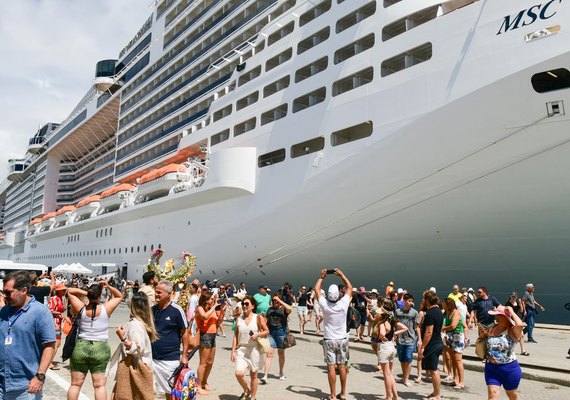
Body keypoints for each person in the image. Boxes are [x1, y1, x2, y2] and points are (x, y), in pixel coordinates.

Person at [0, 271, 56, 399]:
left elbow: (49, 346)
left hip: (25, 387)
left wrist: (40, 376)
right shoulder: (4, 311)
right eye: (3, 292)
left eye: (8, 293)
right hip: (2, 384)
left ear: (24, 290)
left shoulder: (40, 313)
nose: (5, 296)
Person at [67, 281, 123, 400]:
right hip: (100, 347)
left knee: (75, 384)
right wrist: (108, 286)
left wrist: (87, 293)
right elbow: (119, 296)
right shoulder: (105, 308)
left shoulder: (81, 308)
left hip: (81, 346)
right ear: (100, 296)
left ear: (89, 295)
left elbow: (70, 291)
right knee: (99, 385)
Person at [314, 268, 353, 400]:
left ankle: (332, 395)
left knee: (331, 367)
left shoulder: (325, 305)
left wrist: (322, 276)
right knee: (342, 367)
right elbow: (349, 287)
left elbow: (316, 290)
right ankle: (342, 393)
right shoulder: (343, 304)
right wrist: (342, 275)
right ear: (338, 295)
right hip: (342, 339)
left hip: (329, 339)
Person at [111, 291, 158, 400]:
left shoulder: (135, 325)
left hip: (133, 370)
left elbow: (135, 349)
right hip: (137, 369)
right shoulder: (141, 324)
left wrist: (122, 337)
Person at [151, 281, 189, 400]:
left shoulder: (177, 310)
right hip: (152, 358)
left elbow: (185, 333)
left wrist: (184, 355)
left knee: (171, 391)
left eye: (159, 292)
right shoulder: (152, 310)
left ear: (169, 294)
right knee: (152, 390)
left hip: (169, 359)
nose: (156, 294)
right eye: (155, 292)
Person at [231, 295, 270, 400]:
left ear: (252, 306)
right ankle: (246, 390)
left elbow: (267, 331)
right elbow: (235, 335)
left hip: (254, 349)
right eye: (243, 304)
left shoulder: (258, 317)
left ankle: (253, 397)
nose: (244, 306)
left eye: (247, 304)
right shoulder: (239, 319)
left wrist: (257, 334)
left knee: (253, 375)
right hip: (242, 349)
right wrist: (233, 351)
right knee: (239, 373)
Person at [483, 305, 524, 399]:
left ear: (505, 317)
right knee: (492, 396)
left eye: (499, 315)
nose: (496, 317)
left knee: (512, 395)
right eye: (496, 315)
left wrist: (512, 312)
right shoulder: (492, 327)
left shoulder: (512, 330)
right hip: (491, 368)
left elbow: (520, 325)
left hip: (509, 369)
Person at [374, 300, 408, 400]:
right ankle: (395, 396)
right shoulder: (392, 321)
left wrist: (381, 336)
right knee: (390, 373)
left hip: (384, 347)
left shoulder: (382, 323)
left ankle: (389, 396)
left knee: (386, 374)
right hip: (392, 346)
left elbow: (382, 334)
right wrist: (395, 334)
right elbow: (405, 328)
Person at [418, 291, 444, 400]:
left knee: (433, 370)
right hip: (437, 342)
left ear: (428, 300)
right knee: (433, 369)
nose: (423, 301)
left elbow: (429, 332)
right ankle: (435, 392)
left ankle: (437, 395)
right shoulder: (438, 311)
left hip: (433, 344)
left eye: (424, 299)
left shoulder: (430, 313)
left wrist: (423, 347)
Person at [262, 294, 292, 383]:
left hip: (281, 333)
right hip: (271, 333)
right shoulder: (270, 309)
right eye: (274, 301)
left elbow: (289, 309)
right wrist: (263, 318)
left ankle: (281, 372)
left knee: (281, 353)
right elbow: (266, 320)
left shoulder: (283, 309)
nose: (275, 302)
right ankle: (265, 375)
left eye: (277, 301)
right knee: (269, 354)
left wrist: (279, 300)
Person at [195, 290, 220, 395]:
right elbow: (204, 316)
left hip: (213, 335)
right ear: (206, 299)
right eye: (210, 299)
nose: (212, 300)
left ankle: (204, 382)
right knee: (203, 363)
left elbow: (217, 321)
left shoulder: (210, 309)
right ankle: (198, 385)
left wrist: (221, 309)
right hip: (205, 336)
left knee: (210, 362)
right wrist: (214, 307)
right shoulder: (200, 308)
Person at [395, 293, 421, 387]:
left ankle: (406, 379)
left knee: (408, 359)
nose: (411, 303)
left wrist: (420, 339)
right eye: (409, 301)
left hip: (411, 339)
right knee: (402, 359)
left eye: (412, 301)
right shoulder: (398, 311)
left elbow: (417, 327)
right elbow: (395, 324)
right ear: (404, 301)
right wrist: (395, 335)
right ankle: (404, 377)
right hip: (400, 339)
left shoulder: (414, 312)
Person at [442, 298, 467, 389]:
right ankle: (455, 380)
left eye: (444, 303)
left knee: (458, 360)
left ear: (448, 304)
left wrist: (444, 328)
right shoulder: (446, 312)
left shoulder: (456, 312)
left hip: (457, 336)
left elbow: (453, 326)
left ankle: (461, 382)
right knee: (452, 359)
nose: (442, 304)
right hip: (449, 336)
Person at [47, 283, 67, 370]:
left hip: (57, 322)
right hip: (54, 322)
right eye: (63, 290)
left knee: (57, 343)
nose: (64, 291)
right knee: (56, 343)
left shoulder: (60, 299)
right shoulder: (54, 299)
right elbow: (49, 310)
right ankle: (49, 362)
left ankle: (49, 361)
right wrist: (59, 314)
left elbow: (64, 308)